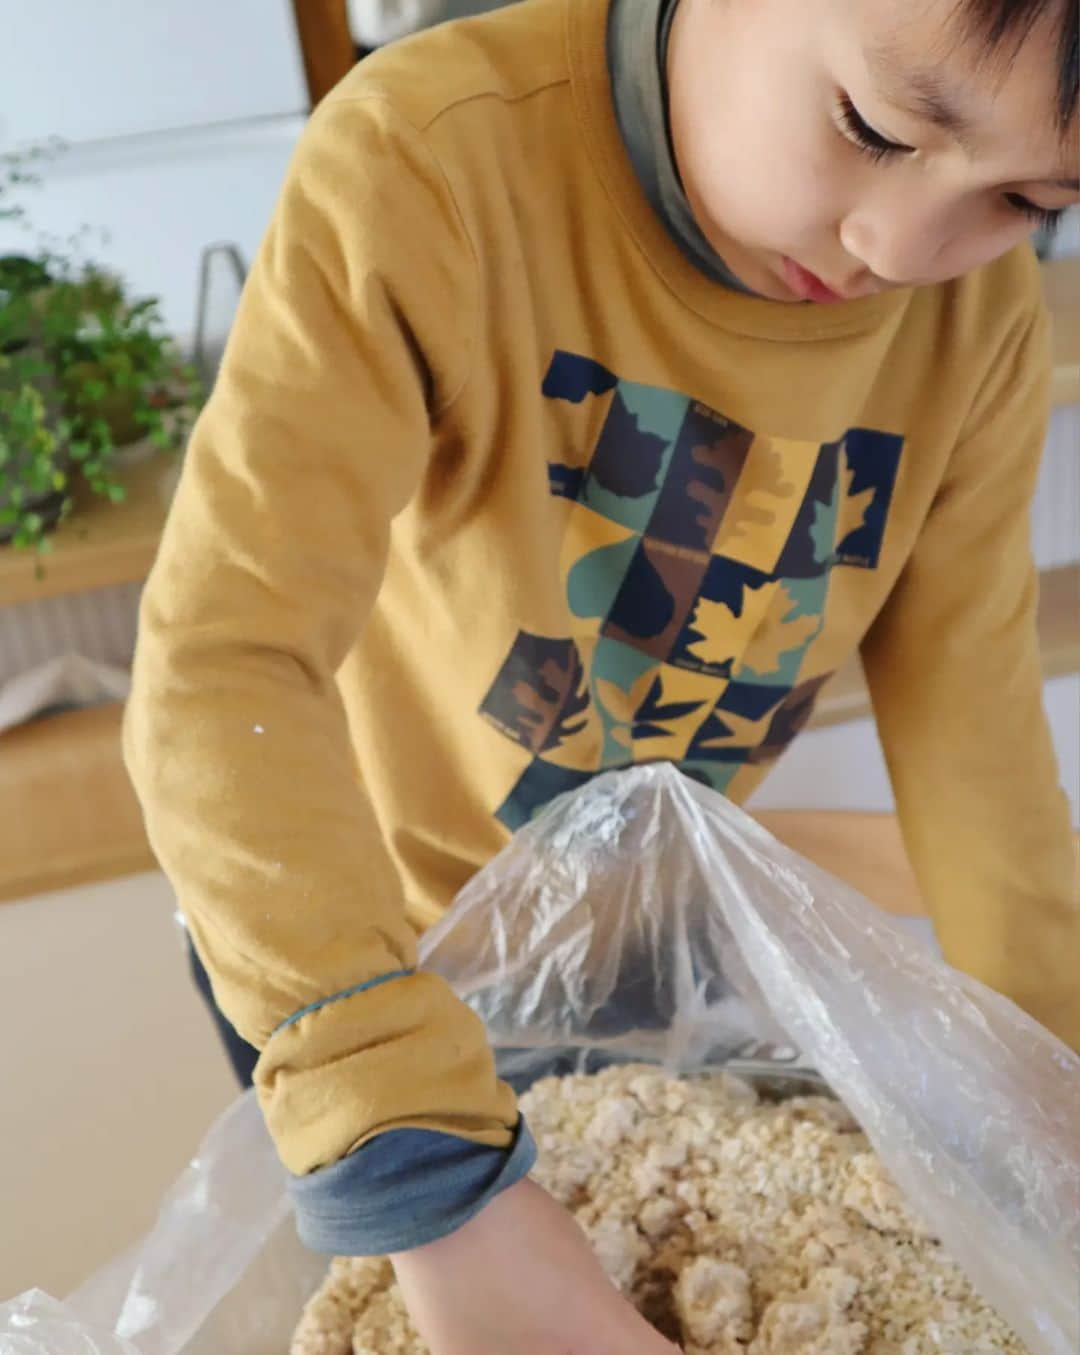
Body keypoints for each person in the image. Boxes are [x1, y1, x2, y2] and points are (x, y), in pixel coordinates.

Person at [125, 0, 1079, 1348]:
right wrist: (427, 1175)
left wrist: (1051, 1087)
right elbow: (224, 664)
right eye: (874, 127)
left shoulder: (971, 324)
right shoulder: (429, 172)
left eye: (1028, 201)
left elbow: (978, 735)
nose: (900, 249)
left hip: (635, 953)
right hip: (349, 948)